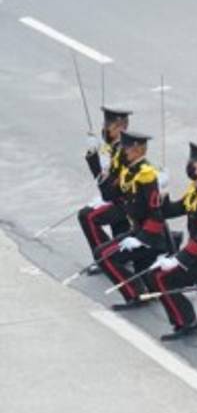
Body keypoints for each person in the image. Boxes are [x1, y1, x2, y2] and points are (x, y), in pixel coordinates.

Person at [149, 143, 197, 341]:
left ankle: (186, 323)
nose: (190, 165)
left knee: (161, 277)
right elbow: (169, 211)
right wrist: (162, 190)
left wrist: (178, 260)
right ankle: (194, 320)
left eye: (194, 162)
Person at [96, 130, 170, 310]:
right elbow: (109, 195)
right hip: (137, 230)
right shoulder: (130, 171)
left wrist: (141, 239)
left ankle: (135, 294)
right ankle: (142, 293)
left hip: (150, 236)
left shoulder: (146, 175)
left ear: (137, 150)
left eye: (127, 148)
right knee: (143, 272)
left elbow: (156, 214)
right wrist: (104, 174)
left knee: (104, 255)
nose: (124, 151)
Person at [79, 106, 132, 256]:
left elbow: (110, 189)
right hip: (116, 198)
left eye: (108, 126)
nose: (104, 129)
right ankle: (116, 255)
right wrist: (93, 154)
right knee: (119, 231)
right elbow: (101, 179)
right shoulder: (112, 148)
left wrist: (101, 166)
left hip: (126, 203)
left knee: (87, 216)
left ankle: (104, 256)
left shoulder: (124, 151)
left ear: (121, 127)